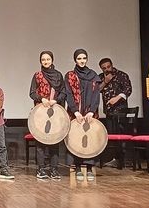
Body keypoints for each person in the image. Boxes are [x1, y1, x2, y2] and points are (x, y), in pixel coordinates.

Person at [64, 49, 101, 181]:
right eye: (79, 58)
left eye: (84, 58)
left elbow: (97, 95)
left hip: (90, 112)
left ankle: (90, 167)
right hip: (76, 113)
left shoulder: (94, 75)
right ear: (75, 60)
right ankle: (78, 167)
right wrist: (75, 111)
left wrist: (92, 110)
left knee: (90, 138)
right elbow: (68, 94)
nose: (82, 61)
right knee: (76, 139)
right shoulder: (70, 76)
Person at [29, 51, 66, 180]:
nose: (46, 62)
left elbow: (63, 92)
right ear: (40, 61)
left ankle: (54, 169)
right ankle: (41, 169)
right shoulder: (37, 75)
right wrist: (41, 99)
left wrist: (56, 100)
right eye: (43, 60)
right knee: (40, 142)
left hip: (55, 111)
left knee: (54, 141)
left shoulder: (58, 75)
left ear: (52, 60)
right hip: (40, 112)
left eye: (48, 59)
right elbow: (32, 93)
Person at [98, 57, 133, 168]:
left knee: (121, 134)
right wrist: (105, 81)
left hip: (121, 111)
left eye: (108, 67)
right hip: (109, 112)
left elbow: (128, 90)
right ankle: (114, 159)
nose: (107, 69)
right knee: (111, 135)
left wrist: (116, 98)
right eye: (104, 68)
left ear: (112, 65)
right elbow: (97, 90)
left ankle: (122, 159)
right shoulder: (100, 77)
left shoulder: (122, 75)